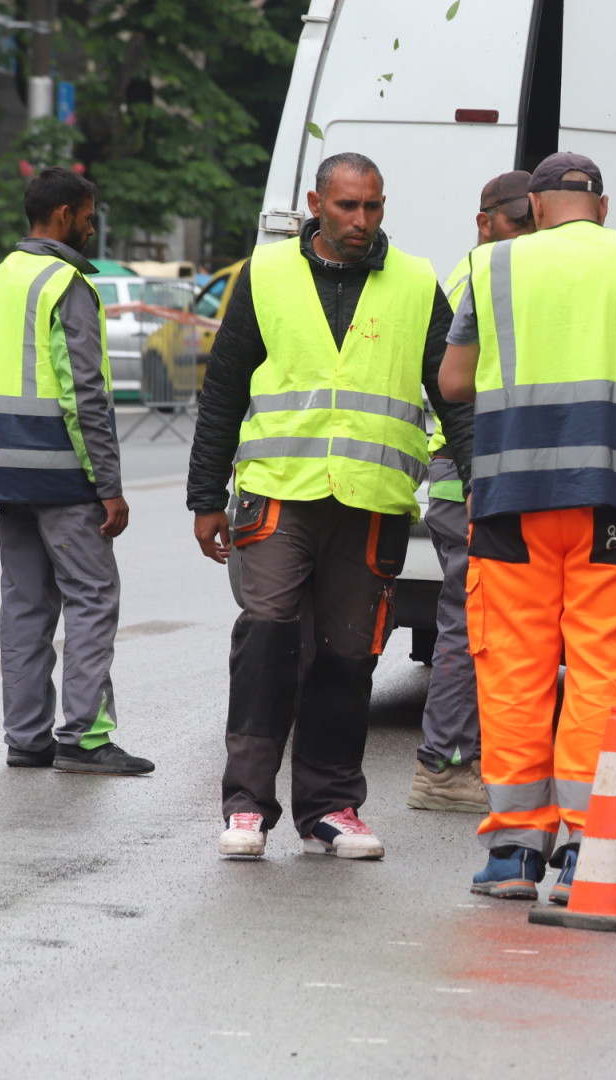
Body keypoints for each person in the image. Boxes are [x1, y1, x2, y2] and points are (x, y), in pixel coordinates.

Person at [438, 152, 616, 904]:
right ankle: (589, 855)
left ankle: (515, 855)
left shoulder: (493, 268)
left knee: (514, 668)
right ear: (602, 205)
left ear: (534, 204)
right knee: (602, 671)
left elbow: (453, 382)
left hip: (510, 501)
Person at [188, 152, 473, 860]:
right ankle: (248, 806)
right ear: (316, 203)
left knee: (349, 653)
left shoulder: (413, 282)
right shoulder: (268, 274)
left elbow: (454, 397)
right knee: (269, 631)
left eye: (373, 207)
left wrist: (480, 490)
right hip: (278, 493)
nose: (361, 221)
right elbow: (224, 388)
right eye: (347, 207)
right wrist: (203, 496)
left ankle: (332, 806)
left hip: (371, 501)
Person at [0, 167, 152, 775]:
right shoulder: (65, 283)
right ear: (65, 214)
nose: (93, 225)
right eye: (88, 214)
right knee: (93, 596)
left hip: (3, 465)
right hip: (59, 469)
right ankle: (85, 737)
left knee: (24, 603)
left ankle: (26, 738)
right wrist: (110, 486)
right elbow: (83, 393)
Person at [407, 170, 536, 814]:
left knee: (485, 622)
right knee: (469, 622)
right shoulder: (476, 283)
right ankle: (444, 764)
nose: (526, 235)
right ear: (483, 223)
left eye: (532, 223)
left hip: (479, 480)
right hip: (466, 481)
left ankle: (463, 756)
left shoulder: (498, 277)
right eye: (515, 223)